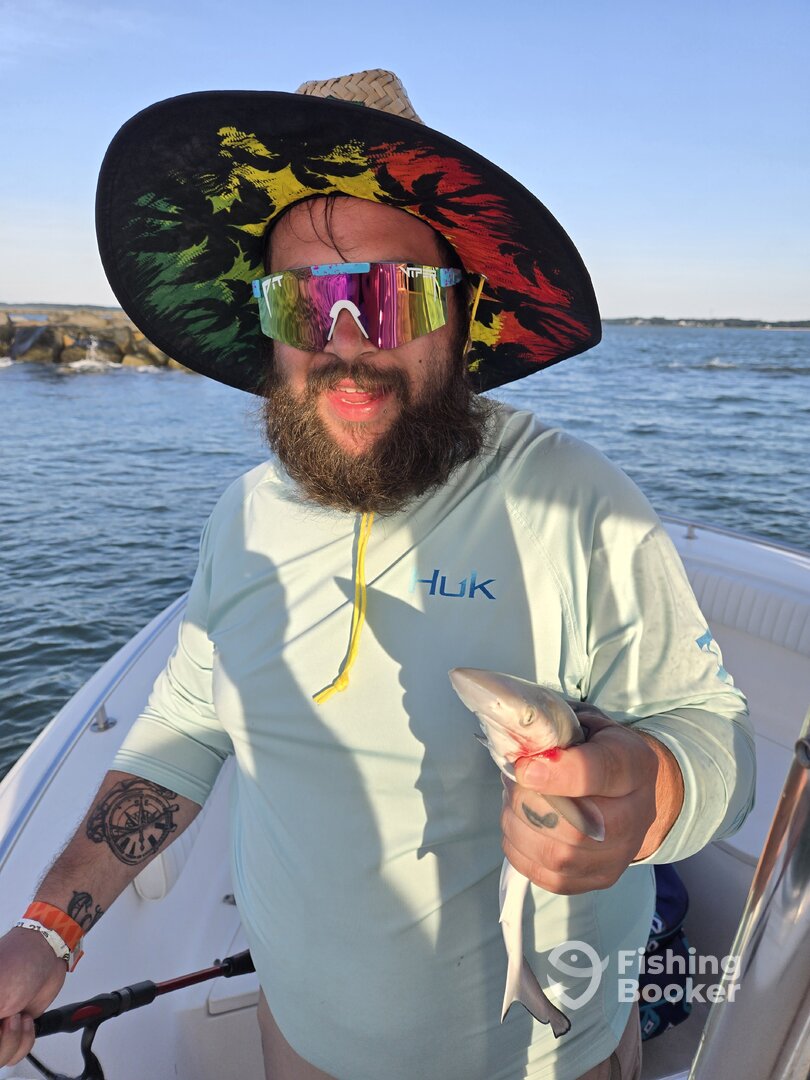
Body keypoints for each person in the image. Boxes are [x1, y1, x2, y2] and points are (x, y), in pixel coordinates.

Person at [0, 70, 755, 1080]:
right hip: (301, 1039)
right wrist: (47, 931)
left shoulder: (573, 500)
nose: (347, 344)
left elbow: (713, 736)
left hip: (544, 1054)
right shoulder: (244, 516)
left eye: (393, 295)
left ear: (462, 312)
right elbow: (187, 725)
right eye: (304, 302)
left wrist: (644, 792)